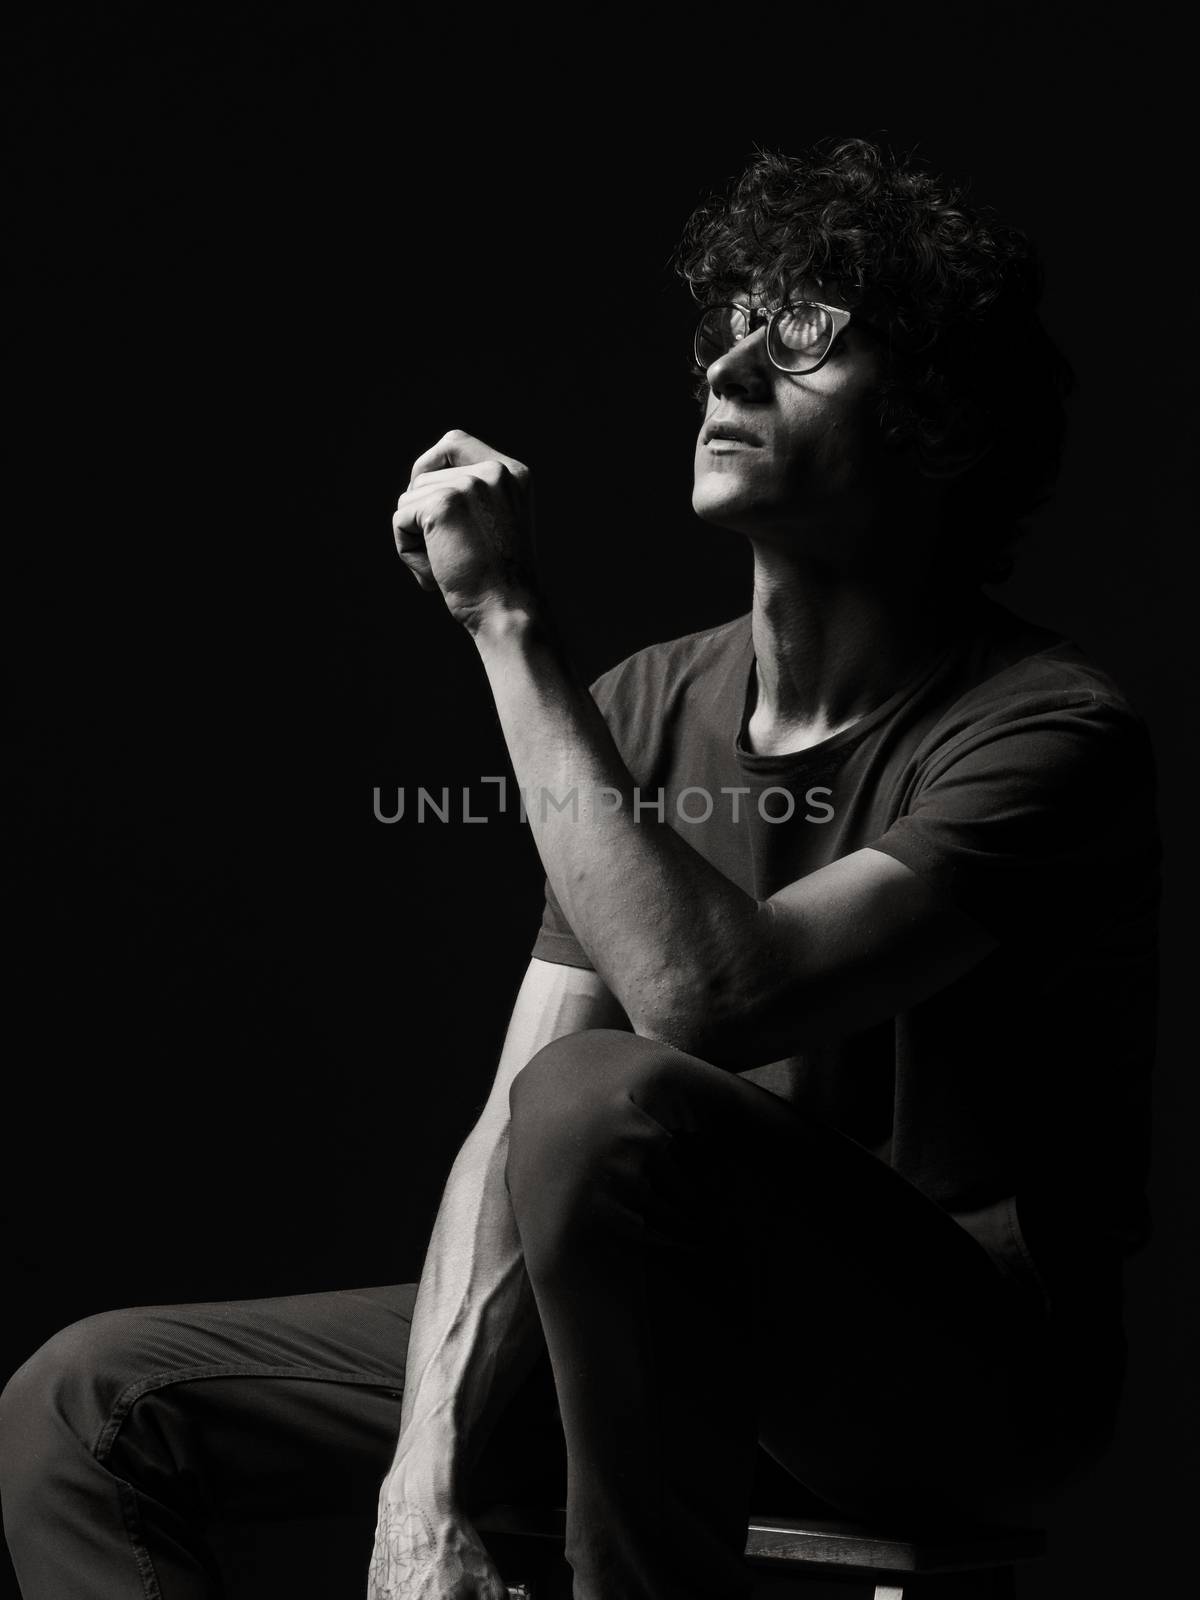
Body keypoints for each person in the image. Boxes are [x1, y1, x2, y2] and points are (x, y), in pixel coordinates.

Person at [0, 138, 1161, 1600]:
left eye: (804, 339)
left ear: (938, 421)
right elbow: (509, 1127)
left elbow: (706, 1000)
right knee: (93, 1402)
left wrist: (504, 626)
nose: (731, 369)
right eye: (729, 325)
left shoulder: (1052, 732)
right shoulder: (642, 702)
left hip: (948, 1389)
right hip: (654, 1333)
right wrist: (418, 1496)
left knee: (608, 1102)